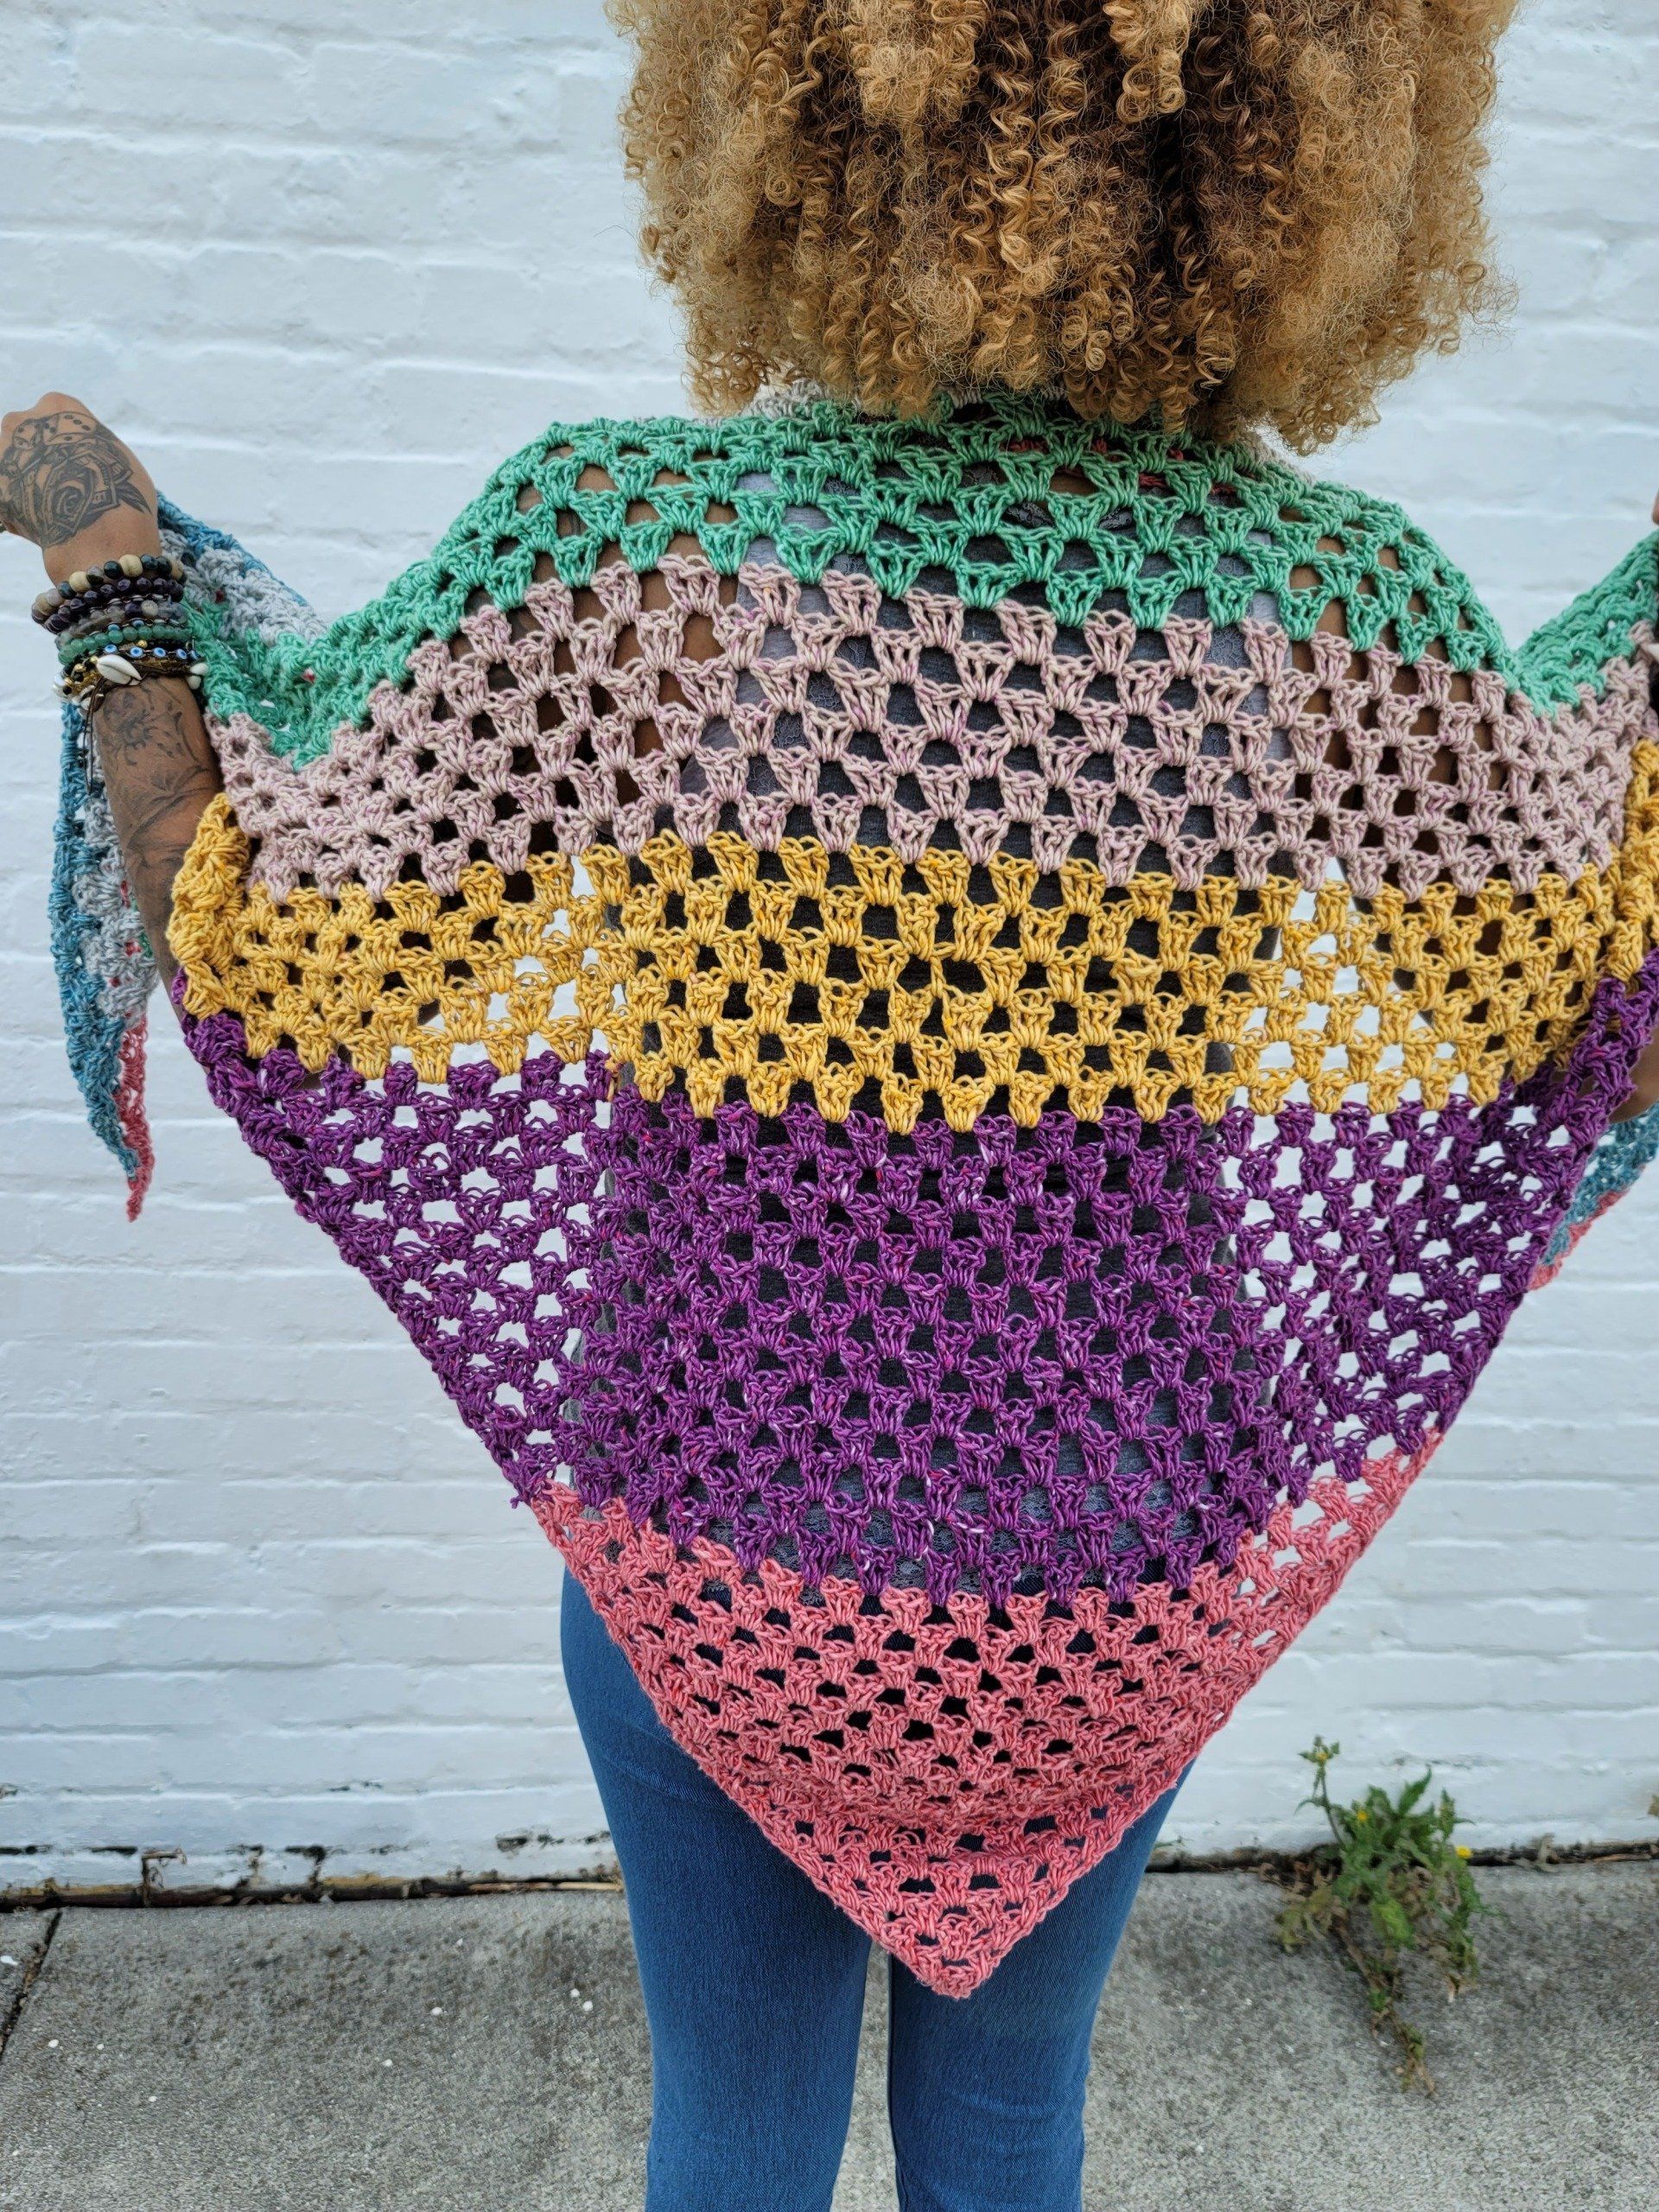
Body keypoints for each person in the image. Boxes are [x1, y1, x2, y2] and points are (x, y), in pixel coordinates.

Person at [5, 6, 1657, 2209]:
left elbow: (286, 935)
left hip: (721, 1513)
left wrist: (114, 578)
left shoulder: (634, 554)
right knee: (1006, 2134)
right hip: (1124, 1540)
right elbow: (1561, 966)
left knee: (742, 2134)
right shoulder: (1325, 613)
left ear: (776, 110)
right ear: (1315, 147)